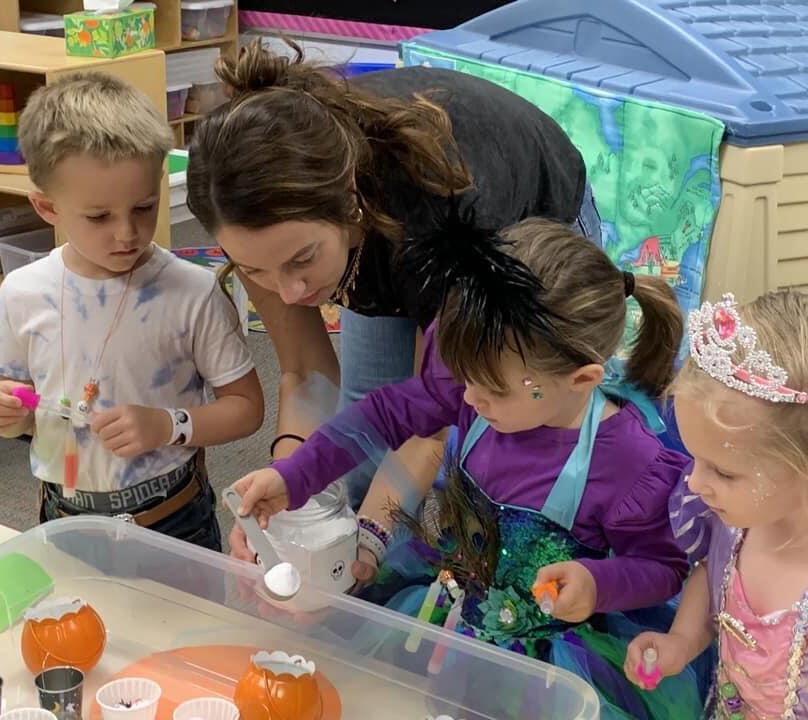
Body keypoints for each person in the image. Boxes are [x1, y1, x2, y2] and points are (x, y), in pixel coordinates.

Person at [232, 219, 702, 719]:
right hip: (455, 607)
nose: (469, 400)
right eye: (464, 380)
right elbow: (381, 415)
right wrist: (295, 476)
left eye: (492, 390)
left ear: (582, 379)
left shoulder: (628, 460)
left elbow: (665, 567)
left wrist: (597, 583)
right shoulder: (481, 381)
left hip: (553, 666)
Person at [186, 39, 602, 523]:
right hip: (383, 238)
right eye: (256, 270)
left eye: (302, 259)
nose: (289, 293)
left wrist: (371, 538)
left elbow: (430, 417)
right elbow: (306, 373)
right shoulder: (254, 222)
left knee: (501, 431)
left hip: (505, 224)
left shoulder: (442, 223)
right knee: (367, 421)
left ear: (349, 199)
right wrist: (284, 495)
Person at [0, 72, 264, 551]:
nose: (127, 233)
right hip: (64, 513)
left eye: (144, 207)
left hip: (172, 516)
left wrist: (168, 425)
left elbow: (247, 408)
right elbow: (23, 406)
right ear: (47, 207)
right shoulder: (23, 293)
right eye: (99, 216)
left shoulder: (192, 292)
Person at [626, 290, 808, 718]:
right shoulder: (733, 523)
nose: (693, 482)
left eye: (723, 472)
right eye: (696, 459)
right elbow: (711, 577)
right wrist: (681, 641)